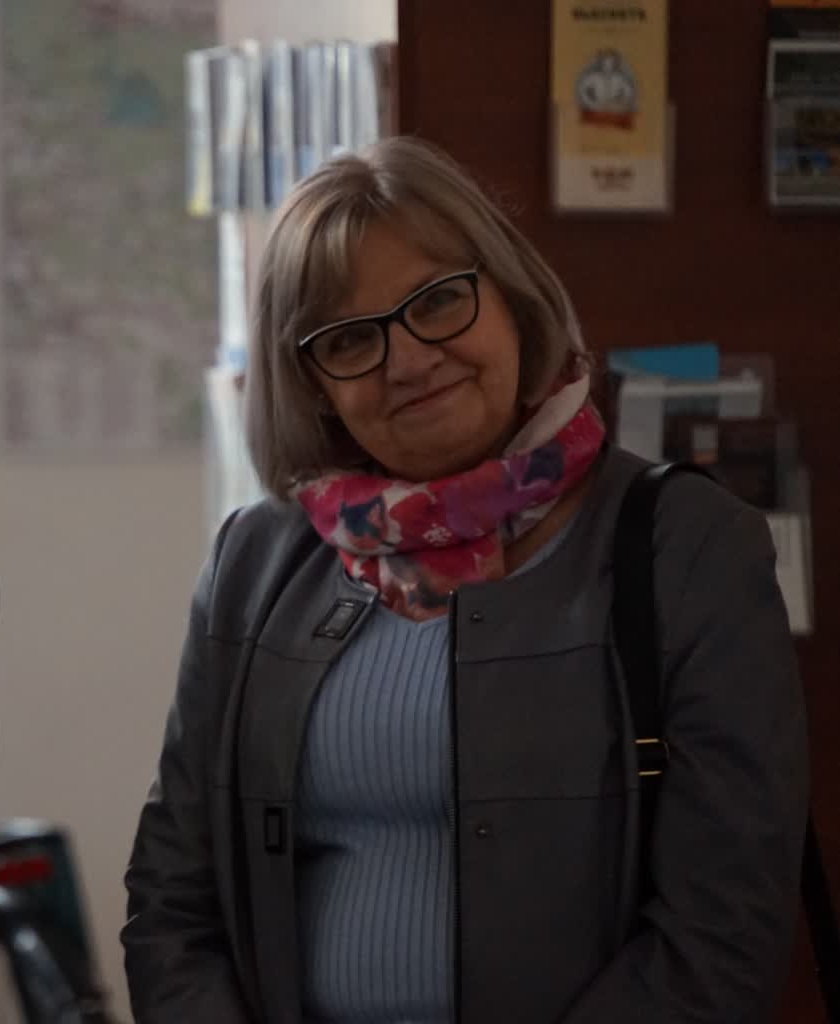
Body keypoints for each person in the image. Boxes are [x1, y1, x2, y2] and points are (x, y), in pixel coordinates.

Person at [123, 136, 806, 1022]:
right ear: (314, 385)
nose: (408, 359)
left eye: (439, 298)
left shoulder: (688, 547)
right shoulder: (253, 564)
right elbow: (172, 903)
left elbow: (724, 927)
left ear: (511, 297)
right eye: (350, 339)